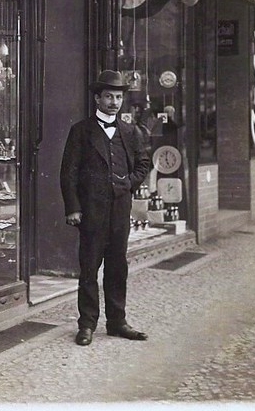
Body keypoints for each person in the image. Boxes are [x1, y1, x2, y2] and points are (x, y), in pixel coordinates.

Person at [60, 70, 151, 346]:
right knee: (89, 268)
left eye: (118, 97)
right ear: (97, 99)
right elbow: (69, 172)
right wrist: (73, 208)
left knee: (117, 266)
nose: (114, 102)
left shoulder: (130, 132)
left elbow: (143, 164)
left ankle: (117, 322)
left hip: (120, 211)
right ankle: (87, 324)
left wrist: (129, 184)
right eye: (109, 96)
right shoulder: (81, 131)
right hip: (91, 211)